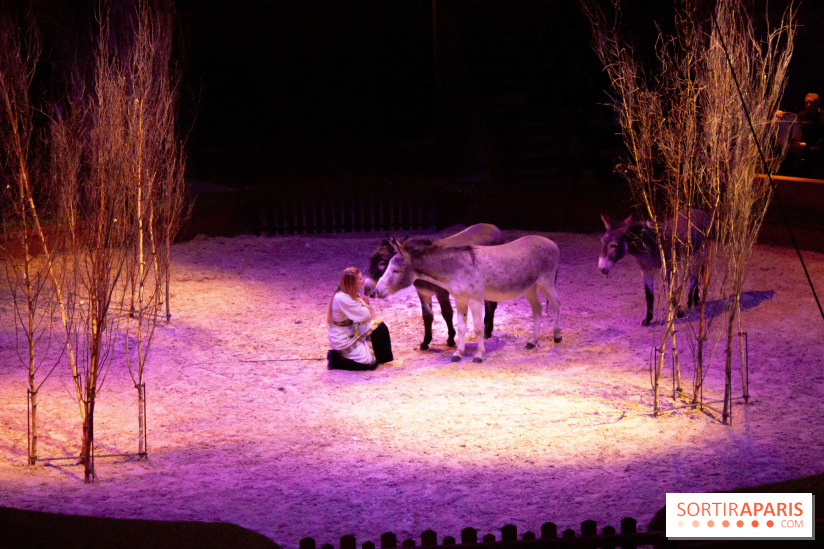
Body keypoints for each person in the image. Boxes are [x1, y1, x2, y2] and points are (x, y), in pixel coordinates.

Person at [327, 267, 393, 370]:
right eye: (360, 279)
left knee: (380, 327)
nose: (363, 281)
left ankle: (382, 359)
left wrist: (363, 305)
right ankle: (336, 359)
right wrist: (365, 305)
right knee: (369, 364)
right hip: (343, 337)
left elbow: (362, 315)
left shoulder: (350, 294)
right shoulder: (342, 297)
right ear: (353, 282)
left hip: (351, 329)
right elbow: (364, 316)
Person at [797, 92, 824, 176]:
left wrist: (808, 144)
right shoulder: (801, 116)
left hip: (818, 148)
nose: (808, 105)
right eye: (806, 102)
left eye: (811, 103)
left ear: (817, 104)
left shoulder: (822, 117)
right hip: (803, 147)